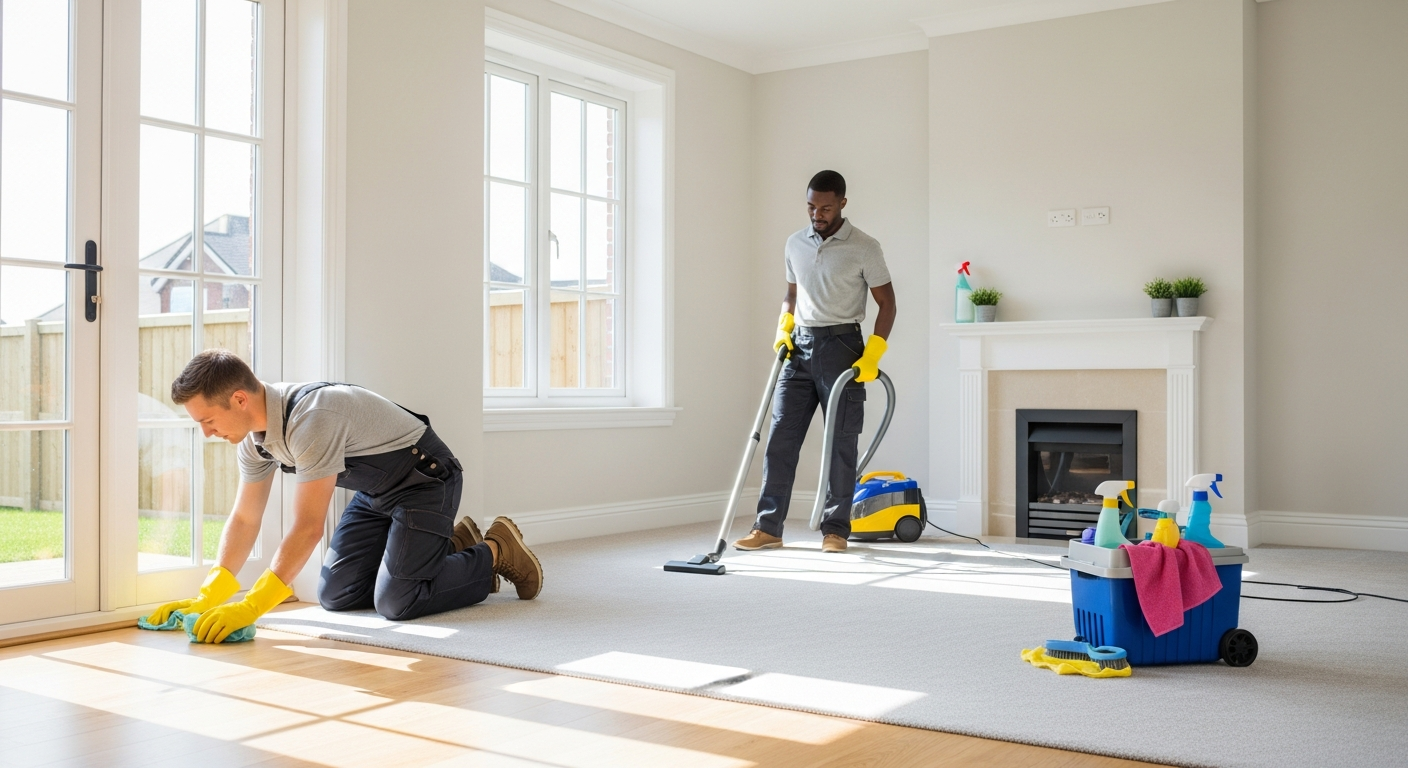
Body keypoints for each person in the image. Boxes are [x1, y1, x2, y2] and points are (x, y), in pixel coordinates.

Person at [145, 349, 542, 643]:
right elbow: (246, 518)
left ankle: (495, 550)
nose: (206, 433)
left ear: (239, 399)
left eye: (208, 421)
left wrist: (253, 606)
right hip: (375, 494)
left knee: (397, 602)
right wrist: (210, 593)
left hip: (426, 482)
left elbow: (307, 527)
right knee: (337, 595)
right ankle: (444, 547)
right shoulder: (255, 442)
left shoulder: (313, 419)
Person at [734, 170, 897, 554]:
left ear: (842, 203)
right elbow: (792, 294)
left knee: (840, 442)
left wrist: (874, 352)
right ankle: (768, 527)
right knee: (781, 438)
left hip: (842, 345)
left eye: (825, 207)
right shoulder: (795, 244)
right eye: (811, 206)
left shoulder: (865, 247)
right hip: (800, 347)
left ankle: (836, 529)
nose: (817, 214)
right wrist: (783, 327)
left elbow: (887, 302)